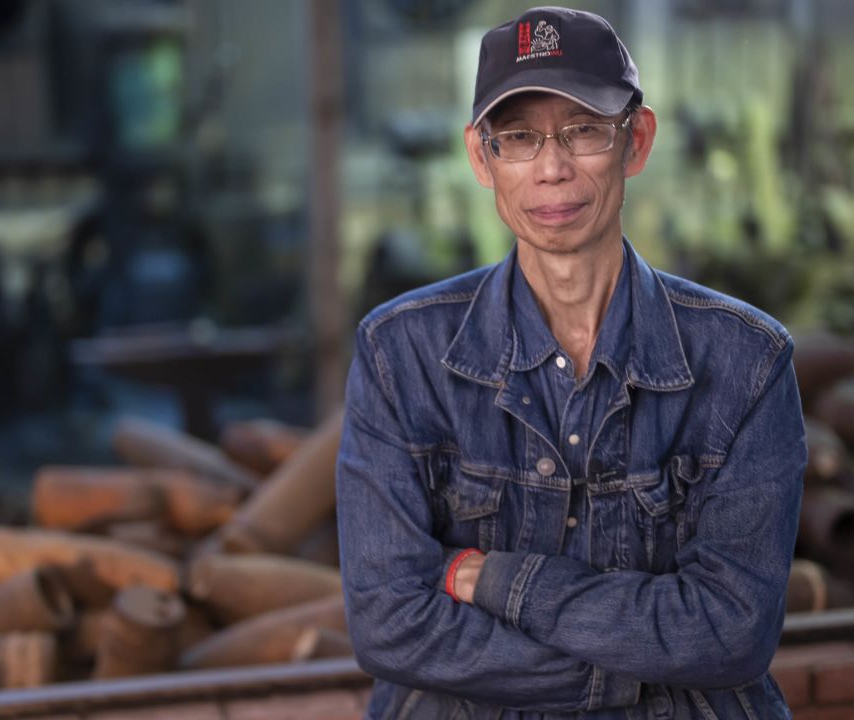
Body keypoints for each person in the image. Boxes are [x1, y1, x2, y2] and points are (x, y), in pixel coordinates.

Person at [336, 6, 806, 719]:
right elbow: (389, 625)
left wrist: (498, 582)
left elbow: (730, 633)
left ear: (636, 140)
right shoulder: (400, 354)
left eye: (584, 130)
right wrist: (626, 677)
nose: (552, 169)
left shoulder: (747, 362)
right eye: (519, 138)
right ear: (481, 158)